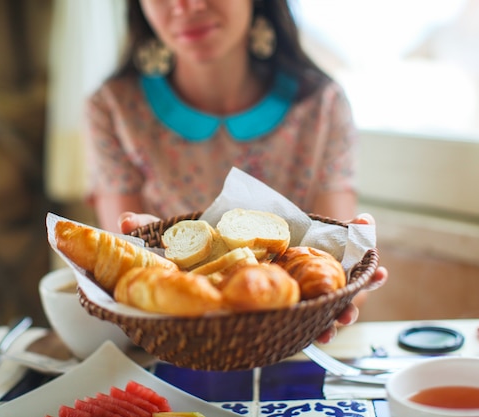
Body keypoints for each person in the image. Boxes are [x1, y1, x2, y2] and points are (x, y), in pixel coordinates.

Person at [84, 0, 388, 342]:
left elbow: (341, 271)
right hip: (173, 346)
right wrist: (137, 250)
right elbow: (122, 276)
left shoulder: (322, 106)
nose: (188, 5)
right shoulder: (113, 108)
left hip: (292, 344)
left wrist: (349, 275)